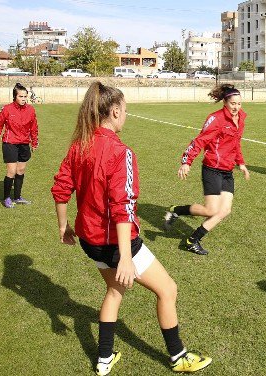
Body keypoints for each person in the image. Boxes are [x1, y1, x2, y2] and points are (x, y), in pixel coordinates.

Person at [51, 82, 212, 375]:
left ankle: (103, 359)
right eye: (125, 110)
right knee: (168, 290)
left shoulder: (79, 145)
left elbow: (61, 188)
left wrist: (64, 226)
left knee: (114, 291)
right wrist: (126, 256)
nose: (126, 114)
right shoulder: (120, 151)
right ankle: (179, 357)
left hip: (89, 241)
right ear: (114, 111)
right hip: (116, 243)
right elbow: (122, 207)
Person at [163, 84, 250, 255]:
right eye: (233, 103)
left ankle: (192, 240)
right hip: (212, 168)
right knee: (211, 210)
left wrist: (241, 163)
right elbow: (200, 141)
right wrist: (186, 162)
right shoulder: (216, 119)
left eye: (239, 104)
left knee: (224, 210)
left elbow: (235, 144)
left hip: (227, 170)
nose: (236, 107)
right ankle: (176, 210)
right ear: (225, 102)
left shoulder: (240, 118)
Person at [0, 82, 38, 208]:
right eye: (21, 96)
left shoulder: (31, 110)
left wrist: (34, 142)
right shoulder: (7, 109)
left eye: (25, 96)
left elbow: (34, 128)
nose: (23, 99)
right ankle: (6, 198)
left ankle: (17, 197)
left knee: (21, 170)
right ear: (14, 97)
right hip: (10, 143)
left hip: (24, 143)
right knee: (11, 171)